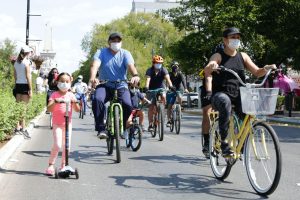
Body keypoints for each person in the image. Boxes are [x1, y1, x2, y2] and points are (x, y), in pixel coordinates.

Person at [204, 27, 276, 156]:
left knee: (250, 111)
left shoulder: (243, 56)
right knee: (225, 102)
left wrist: (266, 68)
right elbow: (210, 66)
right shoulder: (218, 55)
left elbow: (257, 72)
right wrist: (212, 65)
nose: (236, 40)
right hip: (220, 94)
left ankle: (242, 143)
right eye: (233, 37)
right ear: (225, 40)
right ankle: (224, 143)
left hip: (239, 94)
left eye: (237, 37)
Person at [89, 32, 140, 139]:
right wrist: (93, 78)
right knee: (97, 99)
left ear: (121, 42)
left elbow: (130, 66)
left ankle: (125, 126)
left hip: (121, 85)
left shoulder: (125, 53)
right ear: (109, 42)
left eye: (118, 41)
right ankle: (101, 128)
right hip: (105, 85)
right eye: (113, 41)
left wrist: (135, 75)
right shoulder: (101, 52)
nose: (116, 43)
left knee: (128, 104)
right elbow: (95, 66)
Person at [45, 72, 80, 176]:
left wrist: (75, 102)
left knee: (67, 146)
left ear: (70, 82)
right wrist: (55, 101)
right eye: (62, 81)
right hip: (57, 124)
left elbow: (77, 110)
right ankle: (51, 164)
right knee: (57, 144)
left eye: (67, 81)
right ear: (57, 82)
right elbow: (49, 108)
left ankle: (64, 165)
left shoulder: (71, 94)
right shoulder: (54, 94)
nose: (64, 83)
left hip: (67, 124)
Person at [201, 43, 224, 158]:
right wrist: (209, 93)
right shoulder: (212, 64)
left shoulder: (230, 64)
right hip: (208, 90)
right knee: (207, 112)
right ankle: (206, 141)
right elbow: (208, 79)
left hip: (223, 91)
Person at [145, 55, 174, 132]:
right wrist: (146, 87)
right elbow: (148, 80)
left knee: (164, 96)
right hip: (151, 89)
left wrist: (171, 86)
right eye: (157, 63)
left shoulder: (164, 70)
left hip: (161, 87)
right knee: (151, 107)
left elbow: (168, 79)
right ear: (153, 63)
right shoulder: (149, 70)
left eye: (160, 63)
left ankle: (162, 109)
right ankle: (150, 124)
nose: (159, 64)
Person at [13, 45, 33, 137]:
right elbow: (28, 76)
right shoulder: (26, 62)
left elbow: (15, 76)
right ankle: (24, 129)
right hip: (25, 85)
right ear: (27, 53)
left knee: (18, 107)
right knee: (24, 108)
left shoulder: (16, 63)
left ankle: (17, 128)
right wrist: (30, 89)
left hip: (18, 85)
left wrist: (16, 84)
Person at [166, 61, 189, 127]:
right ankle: (169, 121)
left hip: (179, 89)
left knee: (179, 96)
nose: (175, 67)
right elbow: (167, 81)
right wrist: (167, 88)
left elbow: (183, 81)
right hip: (171, 89)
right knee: (169, 106)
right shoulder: (169, 74)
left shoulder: (180, 74)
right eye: (174, 66)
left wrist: (186, 88)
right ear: (172, 67)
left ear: (178, 67)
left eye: (176, 66)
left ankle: (180, 107)